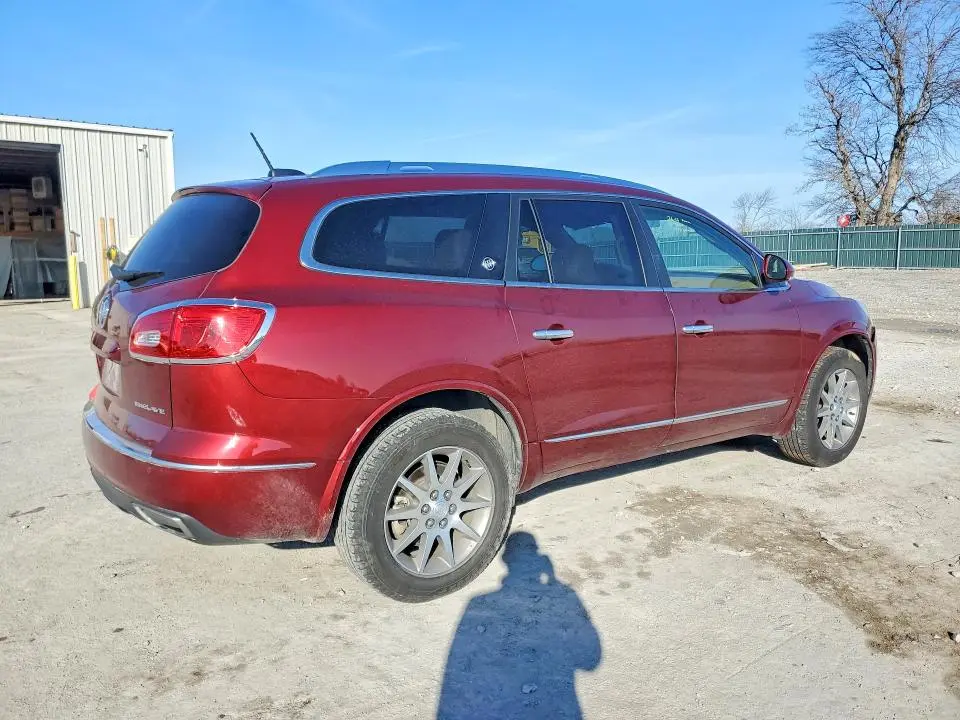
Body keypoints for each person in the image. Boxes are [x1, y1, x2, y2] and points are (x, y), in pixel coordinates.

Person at [437, 532, 602, 720]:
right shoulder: (564, 596)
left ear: (505, 559)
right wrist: (553, 581)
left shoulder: (478, 603)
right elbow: (590, 660)